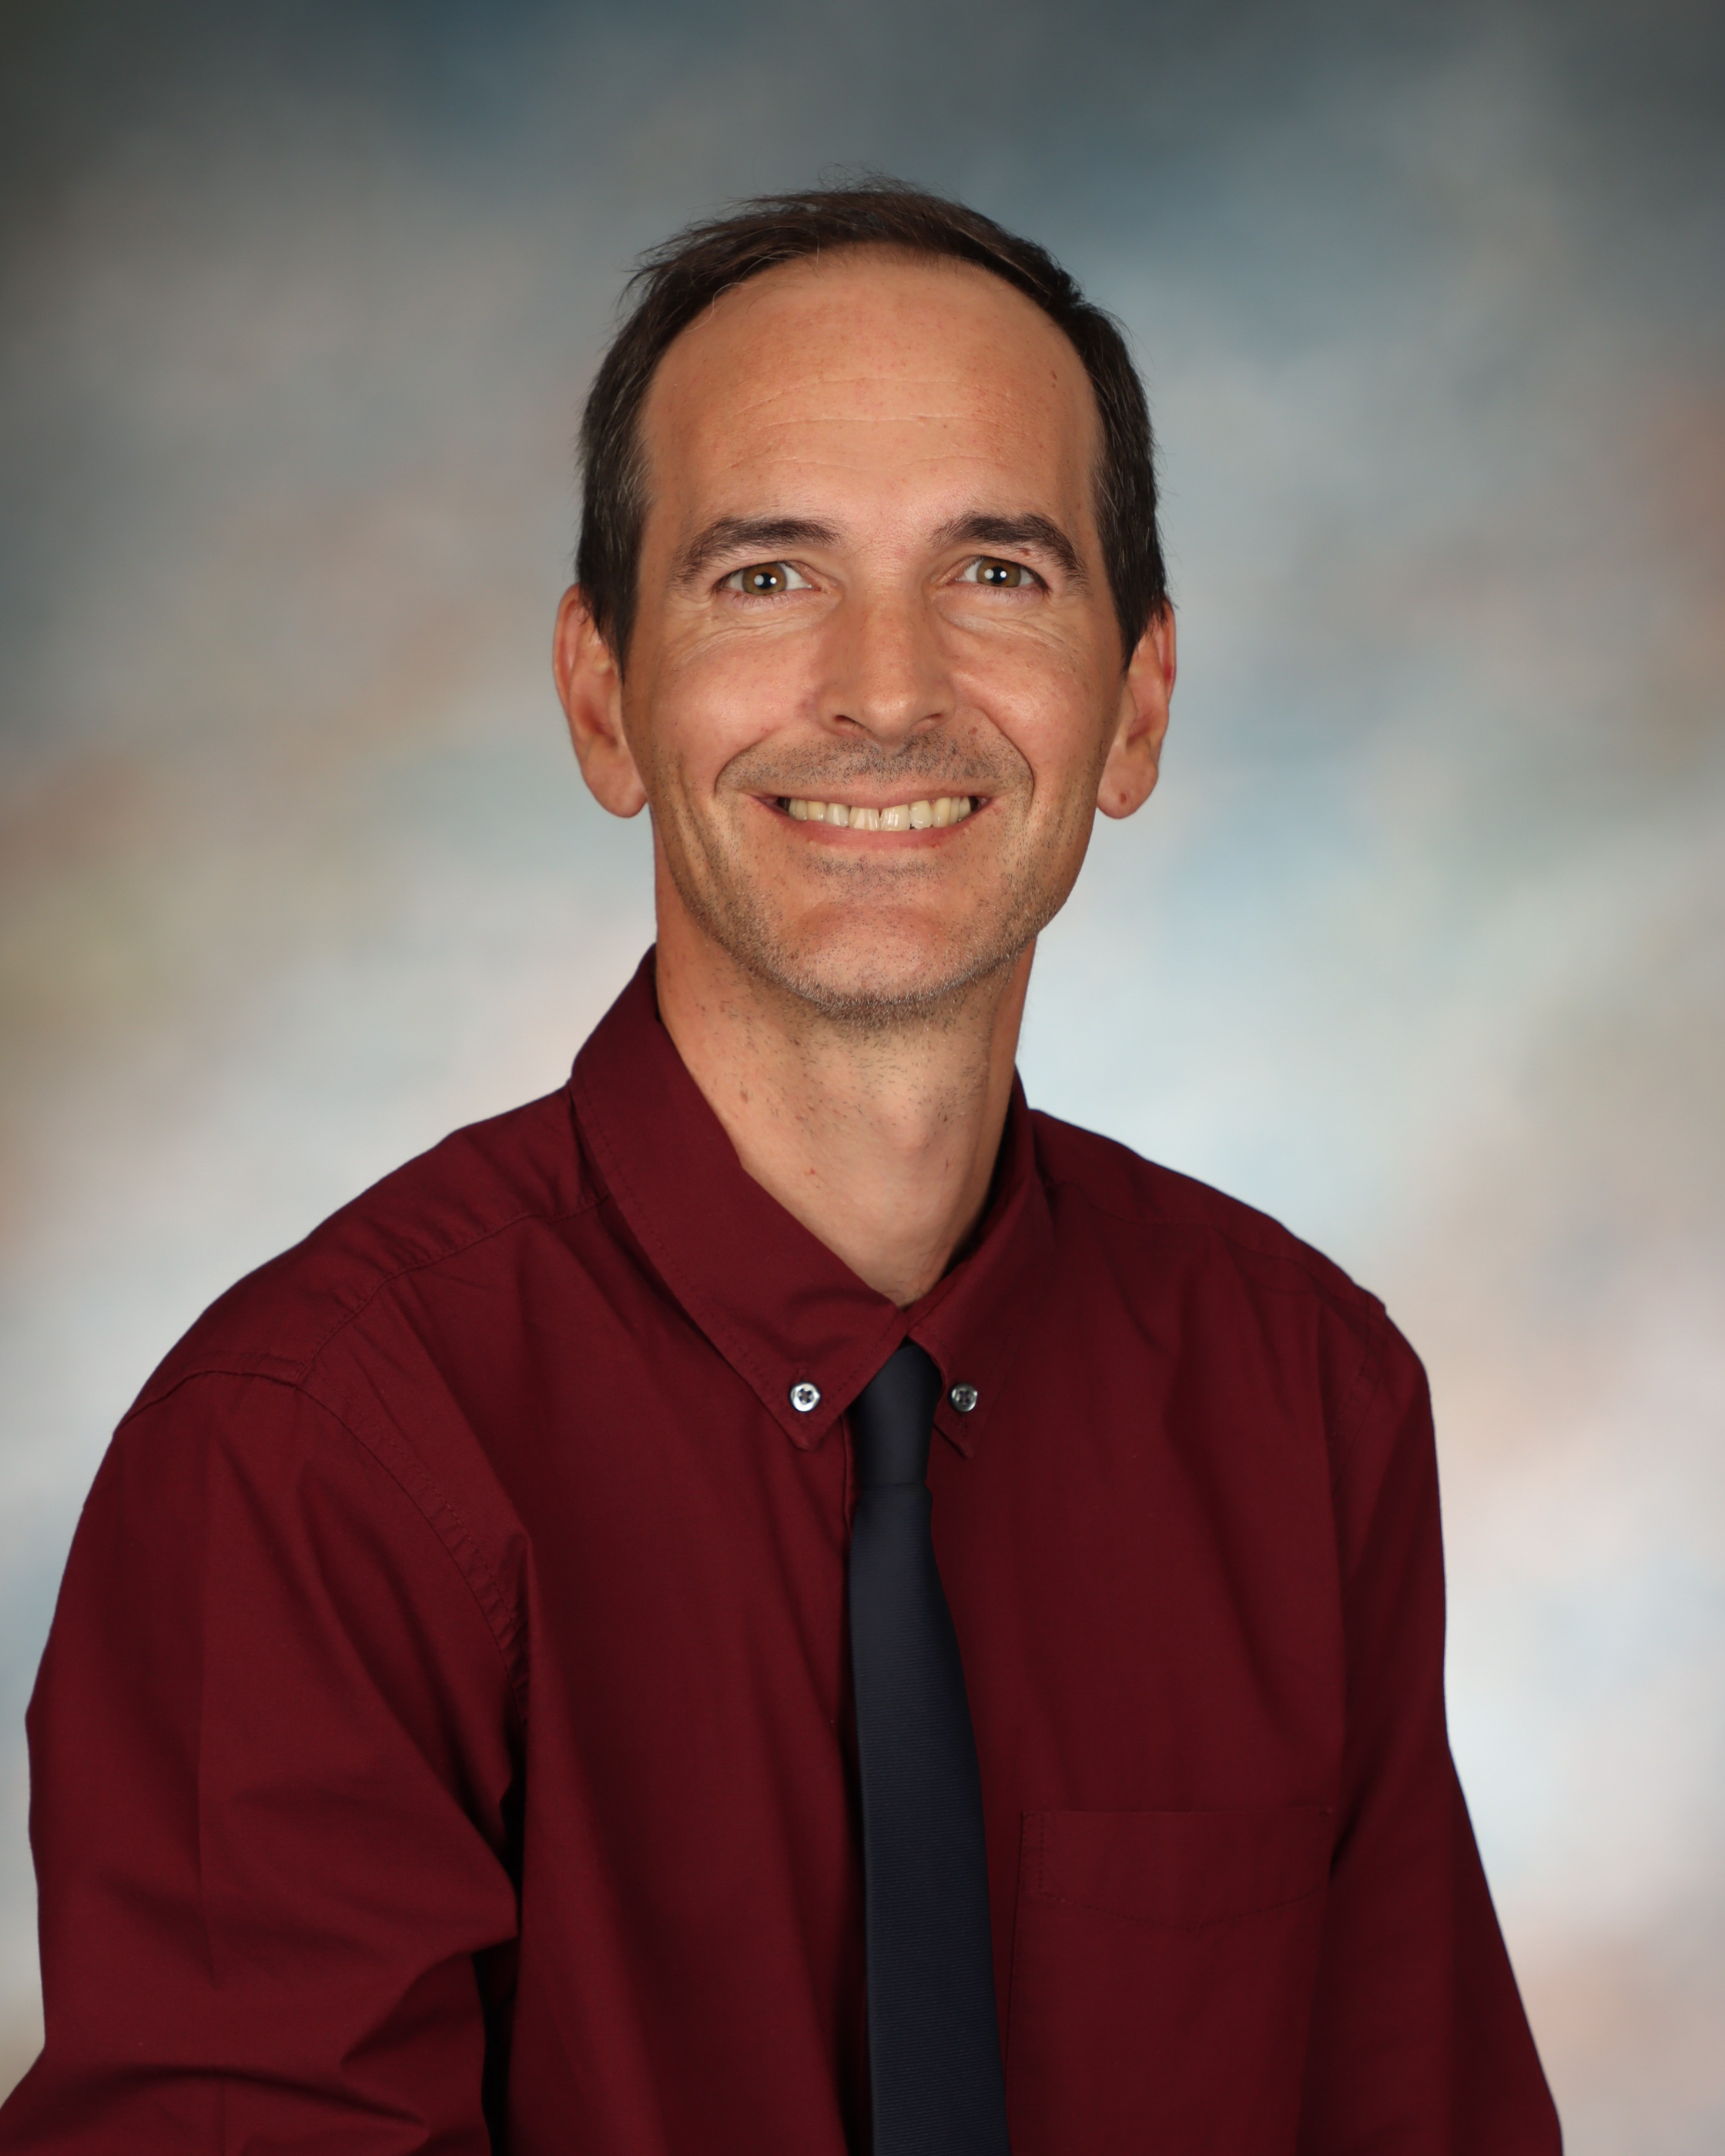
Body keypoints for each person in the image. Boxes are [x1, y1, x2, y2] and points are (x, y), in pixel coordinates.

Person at [0, 183, 1560, 2154]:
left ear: (1137, 702)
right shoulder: (308, 1457)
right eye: (765, 574)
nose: (887, 688)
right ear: (603, 698)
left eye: (994, 569)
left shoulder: (1306, 1402)